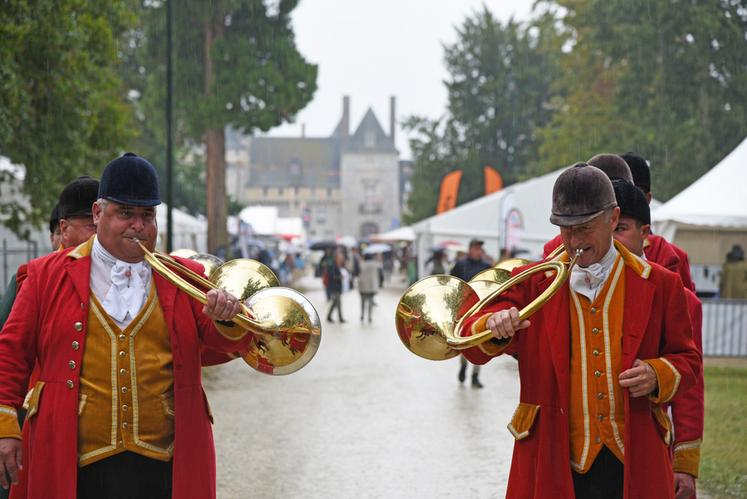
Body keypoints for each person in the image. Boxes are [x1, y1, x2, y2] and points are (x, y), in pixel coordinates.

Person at [0, 153, 251, 499]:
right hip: (75, 464)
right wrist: (5, 427)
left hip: (164, 466)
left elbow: (220, 347)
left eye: (147, 215)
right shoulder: (46, 275)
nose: (138, 226)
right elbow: (10, 354)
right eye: (126, 214)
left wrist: (227, 317)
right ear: (98, 213)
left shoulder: (185, 276)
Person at [460, 163, 701, 498]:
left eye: (585, 228)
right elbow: (470, 336)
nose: (574, 240)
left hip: (635, 458)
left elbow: (689, 361)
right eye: (565, 229)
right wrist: (493, 325)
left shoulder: (661, 284)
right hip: (553, 457)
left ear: (613, 218)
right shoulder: (535, 282)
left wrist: (657, 373)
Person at [611, 180, 704, 499]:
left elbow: (691, 379)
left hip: (646, 447)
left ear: (644, 233)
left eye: (619, 227)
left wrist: (685, 464)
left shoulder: (673, 288)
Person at [620, 152, 696, 292]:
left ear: (648, 198)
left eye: (634, 193)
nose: (623, 201)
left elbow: (687, 310)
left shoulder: (673, 256)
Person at [451, 239, 492, 389]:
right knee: (464, 341)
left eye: (480, 248)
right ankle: (463, 366)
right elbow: (452, 284)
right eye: (476, 248)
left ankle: (475, 375)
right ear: (470, 249)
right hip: (464, 310)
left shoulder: (487, 266)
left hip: (481, 309)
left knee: (479, 341)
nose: (479, 251)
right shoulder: (460, 265)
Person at [357, 253, 380, 323]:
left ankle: (362, 315)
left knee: (362, 302)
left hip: (363, 286)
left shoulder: (361, 264)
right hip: (371, 286)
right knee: (370, 302)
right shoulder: (375, 264)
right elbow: (380, 272)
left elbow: (357, 272)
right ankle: (369, 316)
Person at [325, 249, 346, 323]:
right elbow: (332, 276)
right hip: (335, 287)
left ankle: (329, 316)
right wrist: (340, 277)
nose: (341, 259)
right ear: (337, 257)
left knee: (334, 303)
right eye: (340, 258)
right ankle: (340, 318)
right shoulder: (333, 265)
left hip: (337, 287)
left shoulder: (337, 265)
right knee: (338, 303)